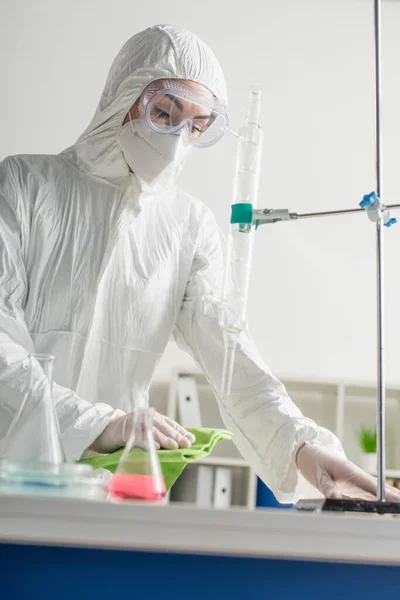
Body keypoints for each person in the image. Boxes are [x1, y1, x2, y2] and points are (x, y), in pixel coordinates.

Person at [0, 24, 398, 504]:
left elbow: (233, 360)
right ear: (123, 96)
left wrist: (307, 450)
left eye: (195, 124)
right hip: (15, 483)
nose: (175, 138)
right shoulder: (24, 186)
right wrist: (99, 424)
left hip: (119, 494)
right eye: (163, 111)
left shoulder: (187, 227)